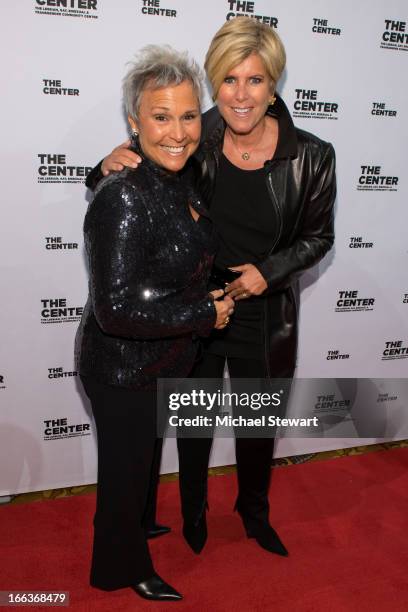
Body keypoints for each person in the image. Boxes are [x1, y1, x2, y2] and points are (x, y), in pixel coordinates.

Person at [86, 18, 336, 559]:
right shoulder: (193, 134)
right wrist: (99, 166)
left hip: (265, 311)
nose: (240, 95)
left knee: (255, 423)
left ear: (274, 86)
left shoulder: (313, 156)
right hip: (194, 309)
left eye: (255, 80)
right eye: (228, 80)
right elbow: (133, 168)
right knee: (193, 425)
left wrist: (268, 271)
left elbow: (319, 237)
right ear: (214, 83)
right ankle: (193, 513)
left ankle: (254, 512)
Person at [76, 45, 234, 601]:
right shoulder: (123, 196)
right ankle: (121, 568)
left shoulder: (178, 177)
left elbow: (171, 261)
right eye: (160, 117)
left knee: (141, 461)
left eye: (189, 115)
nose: (178, 131)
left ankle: (139, 523)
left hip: (159, 357)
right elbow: (114, 309)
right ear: (133, 123)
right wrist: (204, 312)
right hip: (121, 368)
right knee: (124, 472)